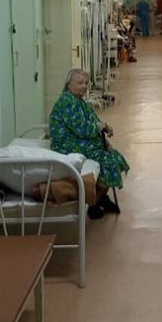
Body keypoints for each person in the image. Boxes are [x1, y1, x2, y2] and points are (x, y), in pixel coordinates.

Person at [49, 69, 130, 219]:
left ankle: (102, 197)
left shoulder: (78, 101)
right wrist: (103, 126)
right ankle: (94, 202)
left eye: (86, 83)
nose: (84, 86)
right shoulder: (67, 102)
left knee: (114, 156)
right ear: (69, 84)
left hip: (79, 141)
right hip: (67, 145)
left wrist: (104, 137)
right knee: (108, 161)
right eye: (80, 83)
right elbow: (83, 129)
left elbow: (93, 122)